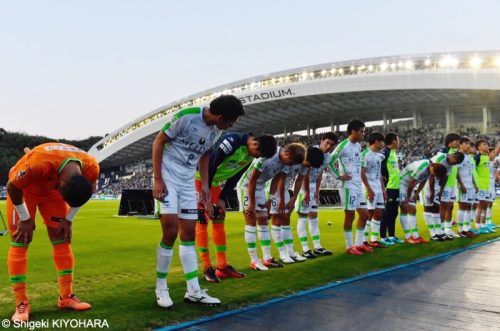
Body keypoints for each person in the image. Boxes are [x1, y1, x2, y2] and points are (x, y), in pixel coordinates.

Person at [152, 95, 244, 308]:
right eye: (230, 121)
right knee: (170, 231)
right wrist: (157, 179)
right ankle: (161, 288)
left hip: (186, 181)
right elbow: (158, 141)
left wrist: (204, 185)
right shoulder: (187, 117)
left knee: (189, 234)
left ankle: (193, 290)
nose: (230, 126)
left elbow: (205, 155)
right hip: (167, 176)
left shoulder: (217, 129)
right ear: (220, 116)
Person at [6, 143, 99, 322]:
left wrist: (69, 218)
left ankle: (66, 297)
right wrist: (25, 219)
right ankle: (21, 303)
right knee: (21, 239)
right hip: (24, 190)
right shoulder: (38, 163)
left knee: (62, 238)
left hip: (53, 193)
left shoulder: (91, 167)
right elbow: (12, 187)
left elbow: (87, 192)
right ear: (62, 183)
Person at [195, 132, 277, 283]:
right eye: (258, 153)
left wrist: (222, 198)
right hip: (199, 181)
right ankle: (207, 268)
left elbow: (235, 177)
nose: (257, 157)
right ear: (255, 144)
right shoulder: (232, 141)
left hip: (214, 185)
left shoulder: (250, 155)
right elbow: (211, 164)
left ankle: (222, 267)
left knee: (219, 218)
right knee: (202, 221)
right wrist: (206, 196)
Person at [237, 143, 306, 270]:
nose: (290, 166)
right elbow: (252, 180)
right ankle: (253, 260)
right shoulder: (268, 156)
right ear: (286, 153)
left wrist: (270, 199)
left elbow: (276, 180)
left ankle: (267, 258)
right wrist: (252, 203)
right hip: (246, 186)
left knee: (263, 220)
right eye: (290, 162)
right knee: (251, 220)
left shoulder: (285, 163)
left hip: (261, 187)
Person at [269, 147, 323, 263]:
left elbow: (299, 181)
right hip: (273, 188)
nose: (309, 167)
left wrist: (293, 199)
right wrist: (281, 201)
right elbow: (281, 179)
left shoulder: (304, 165)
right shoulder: (292, 159)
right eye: (309, 164)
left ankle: (291, 252)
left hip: (285, 189)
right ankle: (282, 253)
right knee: (277, 221)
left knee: (286, 220)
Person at [329, 120, 372, 255]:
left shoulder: (358, 146)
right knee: (350, 215)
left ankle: (358, 244)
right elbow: (329, 161)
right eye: (361, 131)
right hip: (348, 186)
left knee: (364, 215)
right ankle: (349, 246)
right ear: (353, 131)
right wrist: (339, 176)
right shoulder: (343, 145)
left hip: (358, 185)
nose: (363, 134)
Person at [295, 132, 338, 258]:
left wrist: (317, 191)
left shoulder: (328, 157)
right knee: (303, 217)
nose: (329, 147)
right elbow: (305, 174)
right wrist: (307, 192)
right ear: (321, 141)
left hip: (312, 187)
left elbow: (319, 174)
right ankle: (305, 249)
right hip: (303, 186)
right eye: (327, 143)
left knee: (314, 218)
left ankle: (317, 247)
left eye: (332, 145)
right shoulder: (311, 152)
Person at [399, 160, 446, 242]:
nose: (434, 176)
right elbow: (412, 181)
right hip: (402, 183)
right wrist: (408, 197)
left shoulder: (430, 169)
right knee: (407, 209)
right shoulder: (422, 167)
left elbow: (423, 181)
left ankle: (415, 236)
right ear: (433, 169)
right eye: (435, 174)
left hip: (410, 185)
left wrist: (417, 193)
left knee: (412, 210)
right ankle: (408, 237)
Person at [423, 150, 465, 240]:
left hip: (438, 185)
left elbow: (445, 177)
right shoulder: (441, 158)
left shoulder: (451, 164)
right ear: (452, 156)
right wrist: (432, 192)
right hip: (428, 183)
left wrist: (441, 190)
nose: (454, 164)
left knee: (436, 208)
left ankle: (438, 232)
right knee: (428, 208)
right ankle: (433, 233)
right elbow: (431, 175)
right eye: (455, 162)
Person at [360, 132, 387, 248]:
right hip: (369, 186)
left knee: (379, 213)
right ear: (376, 141)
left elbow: (379, 173)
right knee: (369, 213)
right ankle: (364, 241)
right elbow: (362, 173)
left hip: (378, 187)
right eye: (382, 141)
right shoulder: (365, 154)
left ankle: (374, 239)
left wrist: (383, 189)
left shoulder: (378, 155)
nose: (383, 144)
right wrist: (369, 189)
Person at [436, 133, 462, 238]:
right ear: (450, 141)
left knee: (450, 206)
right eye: (456, 140)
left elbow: (456, 169)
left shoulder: (455, 153)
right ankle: (441, 229)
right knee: (443, 206)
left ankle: (448, 228)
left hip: (452, 183)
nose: (457, 143)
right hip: (444, 183)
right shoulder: (443, 152)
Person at [380, 133, 402, 246]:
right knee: (386, 213)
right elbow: (379, 165)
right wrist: (384, 178)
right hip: (388, 187)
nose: (399, 143)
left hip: (396, 187)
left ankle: (392, 235)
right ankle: (383, 237)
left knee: (394, 213)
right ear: (393, 141)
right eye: (398, 140)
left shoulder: (393, 153)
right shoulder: (385, 152)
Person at [456, 137, 478, 237]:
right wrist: (461, 185)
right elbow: (457, 171)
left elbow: (470, 172)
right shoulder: (459, 156)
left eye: (469, 143)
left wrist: (474, 184)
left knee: (468, 207)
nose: (468, 145)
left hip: (470, 185)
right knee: (463, 207)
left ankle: (466, 229)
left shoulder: (468, 157)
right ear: (460, 144)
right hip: (463, 185)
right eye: (466, 143)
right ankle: (462, 230)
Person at [473, 140, 491, 234]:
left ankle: (483, 224)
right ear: (478, 147)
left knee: (484, 205)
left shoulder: (486, 157)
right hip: (480, 185)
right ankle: (477, 225)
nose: (487, 145)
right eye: (484, 144)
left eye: (487, 144)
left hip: (486, 185)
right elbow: (473, 170)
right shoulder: (477, 157)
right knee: (480, 205)